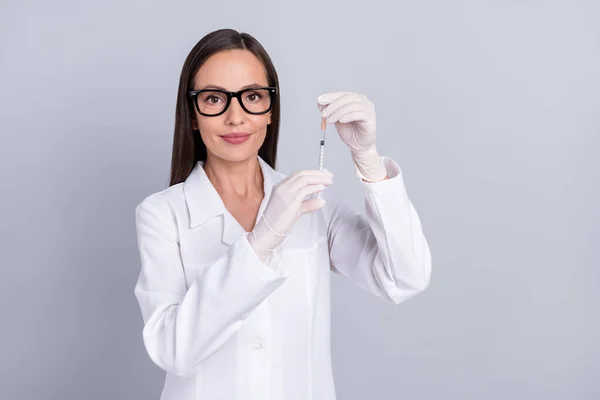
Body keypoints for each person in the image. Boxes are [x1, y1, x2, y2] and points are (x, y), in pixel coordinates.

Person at [133, 28, 432, 400]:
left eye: (252, 97)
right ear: (192, 114)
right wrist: (261, 241)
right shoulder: (162, 214)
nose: (235, 117)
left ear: (270, 109)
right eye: (214, 99)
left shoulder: (312, 204)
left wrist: (368, 160)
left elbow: (404, 278)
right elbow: (174, 351)